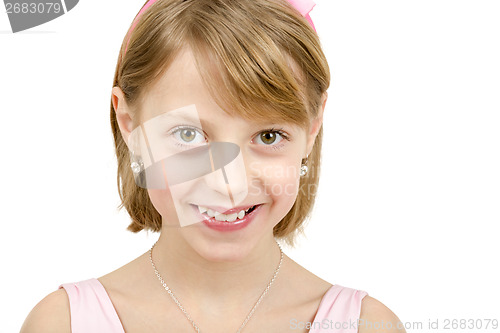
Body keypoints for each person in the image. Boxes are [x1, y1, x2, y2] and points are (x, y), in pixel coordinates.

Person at [21, 0, 406, 332]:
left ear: (312, 127)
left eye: (268, 136)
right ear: (131, 126)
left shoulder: (365, 325)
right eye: (188, 135)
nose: (230, 185)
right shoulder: (63, 324)